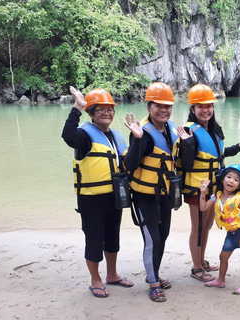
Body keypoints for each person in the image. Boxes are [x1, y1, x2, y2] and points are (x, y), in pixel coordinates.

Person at [62, 87, 134, 298]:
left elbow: (129, 162)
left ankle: (112, 274)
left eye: (110, 109)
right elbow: (67, 136)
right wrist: (77, 107)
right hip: (91, 199)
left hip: (115, 196)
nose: (106, 113)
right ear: (91, 113)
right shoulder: (83, 135)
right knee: (94, 239)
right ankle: (95, 279)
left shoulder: (117, 136)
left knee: (113, 237)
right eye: (100, 110)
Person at [176, 84, 240, 282]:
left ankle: (202, 260)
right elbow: (187, 163)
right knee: (197, 228)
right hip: (198, 188)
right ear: (192, 109)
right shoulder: (188, 131)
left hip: (213, 187)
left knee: (206, 227)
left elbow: (217, 155)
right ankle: (196, 267)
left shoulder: (213, 129)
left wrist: (239, 147)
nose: (205, 110)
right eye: (200, 106)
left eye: (209, 106)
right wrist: (187, 144)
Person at [123, 82, 181, 303]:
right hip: (144, 196)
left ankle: (154, 274)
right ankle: (153, 283)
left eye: (167, 106)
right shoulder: (143, 132)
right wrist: (137, 140)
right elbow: (129, 164)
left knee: (163, 236)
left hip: (164, 194)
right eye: (158, 106)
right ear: (149, 108)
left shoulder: (170, 130)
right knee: (152, 240)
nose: (164, 110)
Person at [199, 164, 240, 295]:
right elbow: (203, 207)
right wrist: (203, 192)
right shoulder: (217, 196)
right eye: (229, 177)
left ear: (239, 185)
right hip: (231, 233)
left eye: (236, 179)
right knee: (223, 257)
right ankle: (221, 280)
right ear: (222, 179)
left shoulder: (239, 199)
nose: (231, 181)